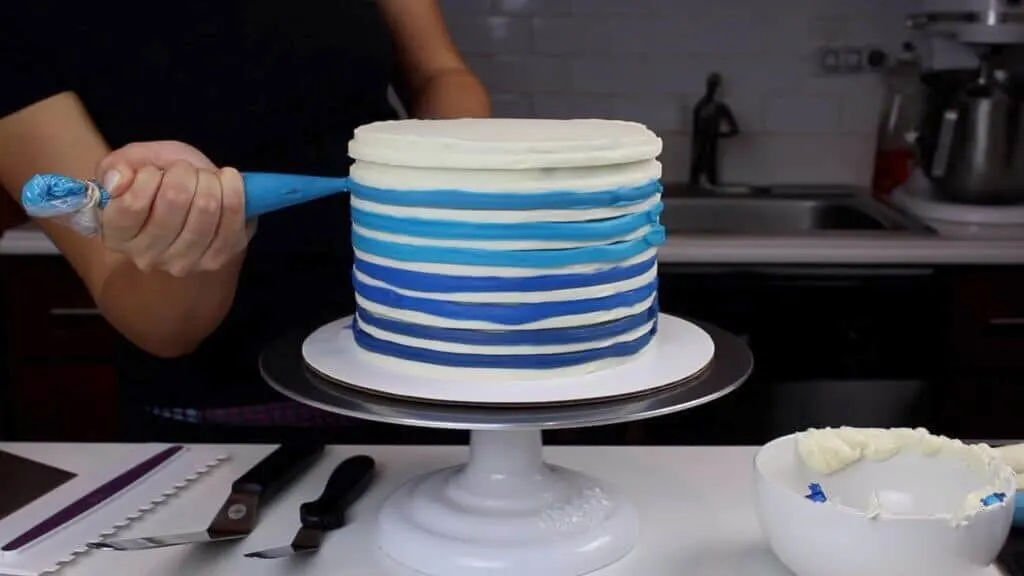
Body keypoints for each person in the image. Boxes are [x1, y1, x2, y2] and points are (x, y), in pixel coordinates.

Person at [0, 0, 491, 442]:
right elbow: (160, 324)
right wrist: (198, 235)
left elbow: (440, 74)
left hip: (423, 378)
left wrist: (442, 165)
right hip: (225, 432)